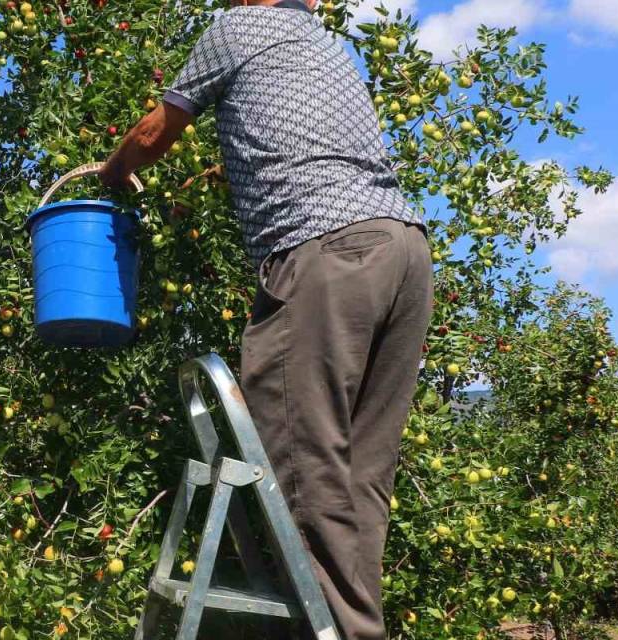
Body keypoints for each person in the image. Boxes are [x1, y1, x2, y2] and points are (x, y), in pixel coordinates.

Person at [99, 1, 432, 639]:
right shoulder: (322, 45)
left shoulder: (236, 29)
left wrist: (115, 172)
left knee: (300, 466)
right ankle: (359, 625)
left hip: (325, 253)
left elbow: (154, 133)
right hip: (403, 254)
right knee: (361, 477)